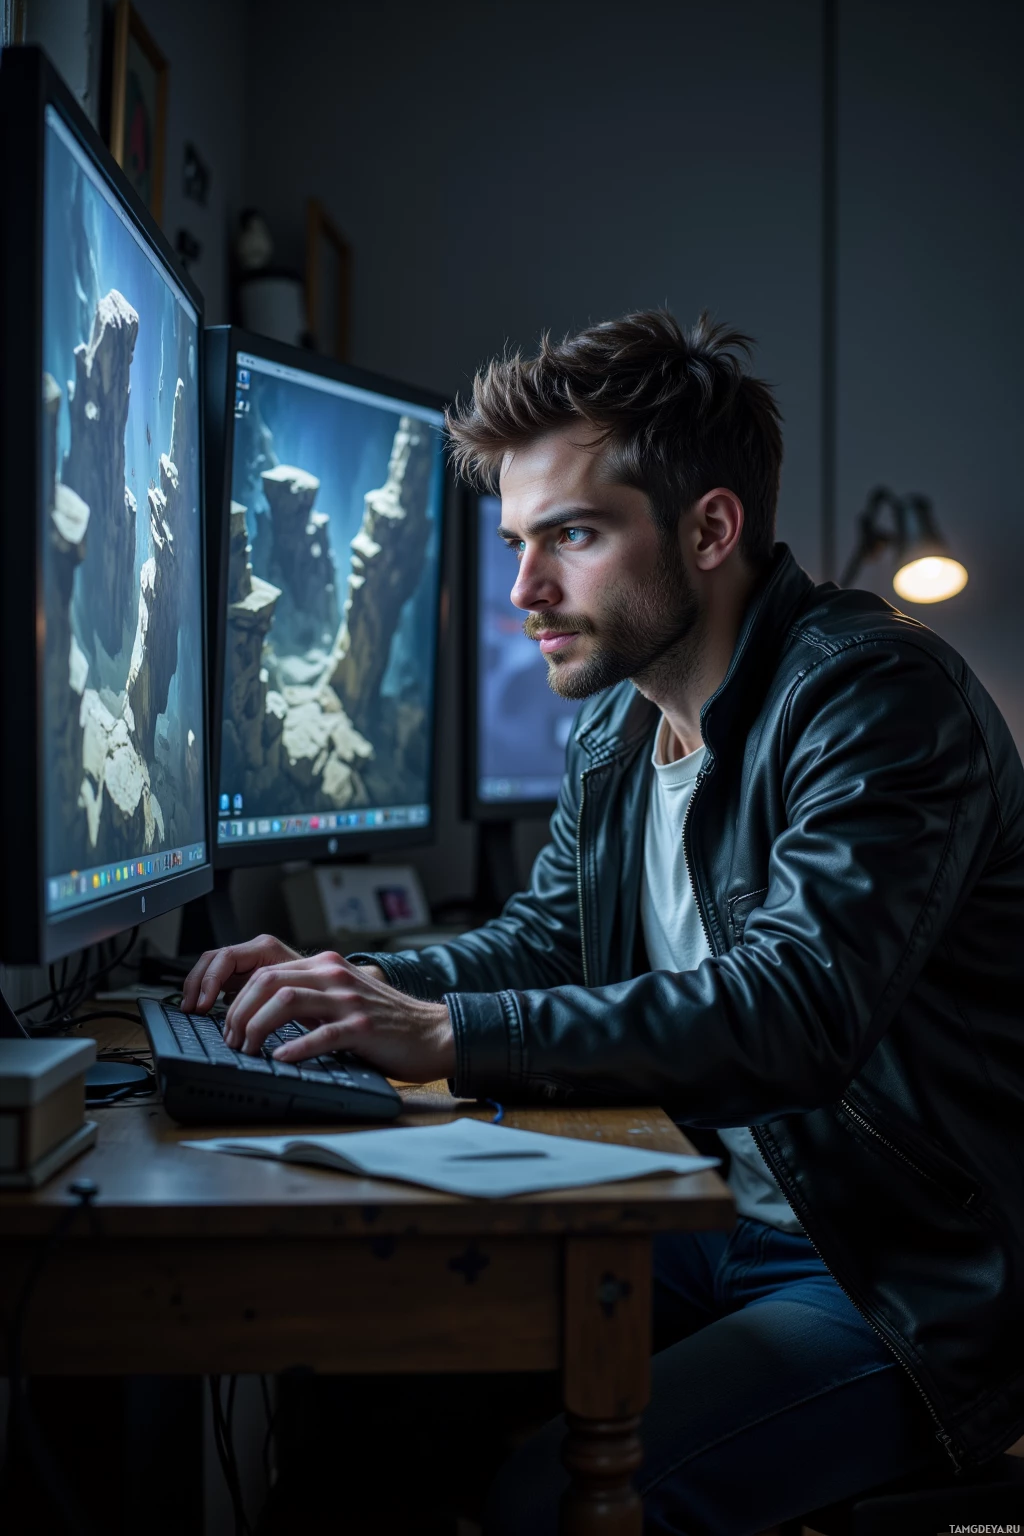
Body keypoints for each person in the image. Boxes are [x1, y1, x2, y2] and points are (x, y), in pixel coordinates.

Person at [183, 311, 1024, 1534]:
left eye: (571, 536)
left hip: (896, 1274)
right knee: (369, 1383)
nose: (523, 588)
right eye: (518, 541)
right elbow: (547, 941)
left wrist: (448, 1034)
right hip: (717, 1211)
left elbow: (794, 1013)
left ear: (710, 528)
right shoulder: (621, 726)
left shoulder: (876, 699)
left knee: (544, 1501)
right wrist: (347, 979)